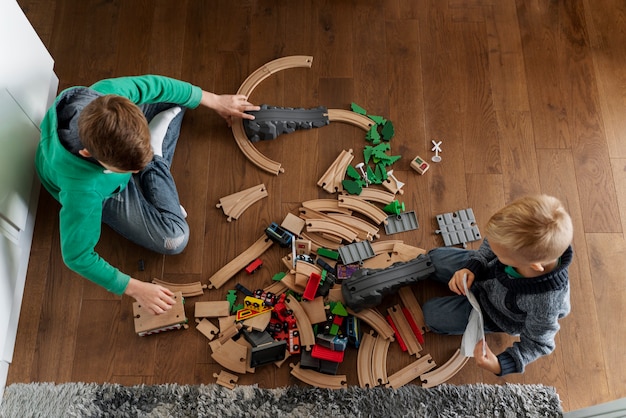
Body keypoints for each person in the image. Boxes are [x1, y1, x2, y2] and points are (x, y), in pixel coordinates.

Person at [35, 75, 259, 315]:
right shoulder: (82, 191)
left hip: (111, 159)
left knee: (178, 98)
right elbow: (77, 256)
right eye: (130, 168)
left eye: (138, 165)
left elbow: (160, 85)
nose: (136, 171)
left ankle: (152, 154)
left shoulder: (108, 95)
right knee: (174, 237)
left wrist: (215, 100)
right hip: (104, 190)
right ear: (88, 153)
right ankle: (156, 157)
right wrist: (134, 288)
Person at [422, 195, 573, 376]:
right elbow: (493, 243)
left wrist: (502, 364)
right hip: (484, 270)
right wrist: (474, 265)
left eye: (500, 253)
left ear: (533, 265)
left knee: (432, 316)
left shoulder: (546, 304)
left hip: (493, 313)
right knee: (433, 260)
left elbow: (538, 343)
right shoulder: (519, 245)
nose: (493, 247)